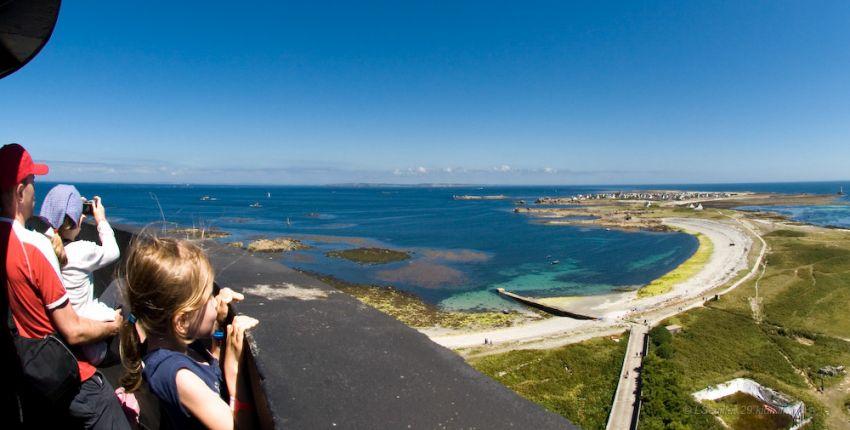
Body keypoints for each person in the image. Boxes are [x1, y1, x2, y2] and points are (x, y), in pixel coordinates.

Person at [0, 143, 129, 428]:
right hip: (63, 370)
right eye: (33, 183)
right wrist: (113, 327)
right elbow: (72, 329)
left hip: (27, 371)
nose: (36, 191)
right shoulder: (34, 247)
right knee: (106, 406)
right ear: (20, 191)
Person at [119, 235, 258, 429]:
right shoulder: (178, 376)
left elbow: (211, 370)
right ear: (182, 321)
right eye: (208, 297)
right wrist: (234, 369)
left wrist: (218, 321)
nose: (214, 301)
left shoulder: (180, 346)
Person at [40, 185, 120, 365]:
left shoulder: (41, 244)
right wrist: (101, 220)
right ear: (75, 221)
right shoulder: (80, 250)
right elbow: (113, 252)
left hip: (58, 334)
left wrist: (74, 211)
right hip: (91, 344)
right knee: (121, 286)